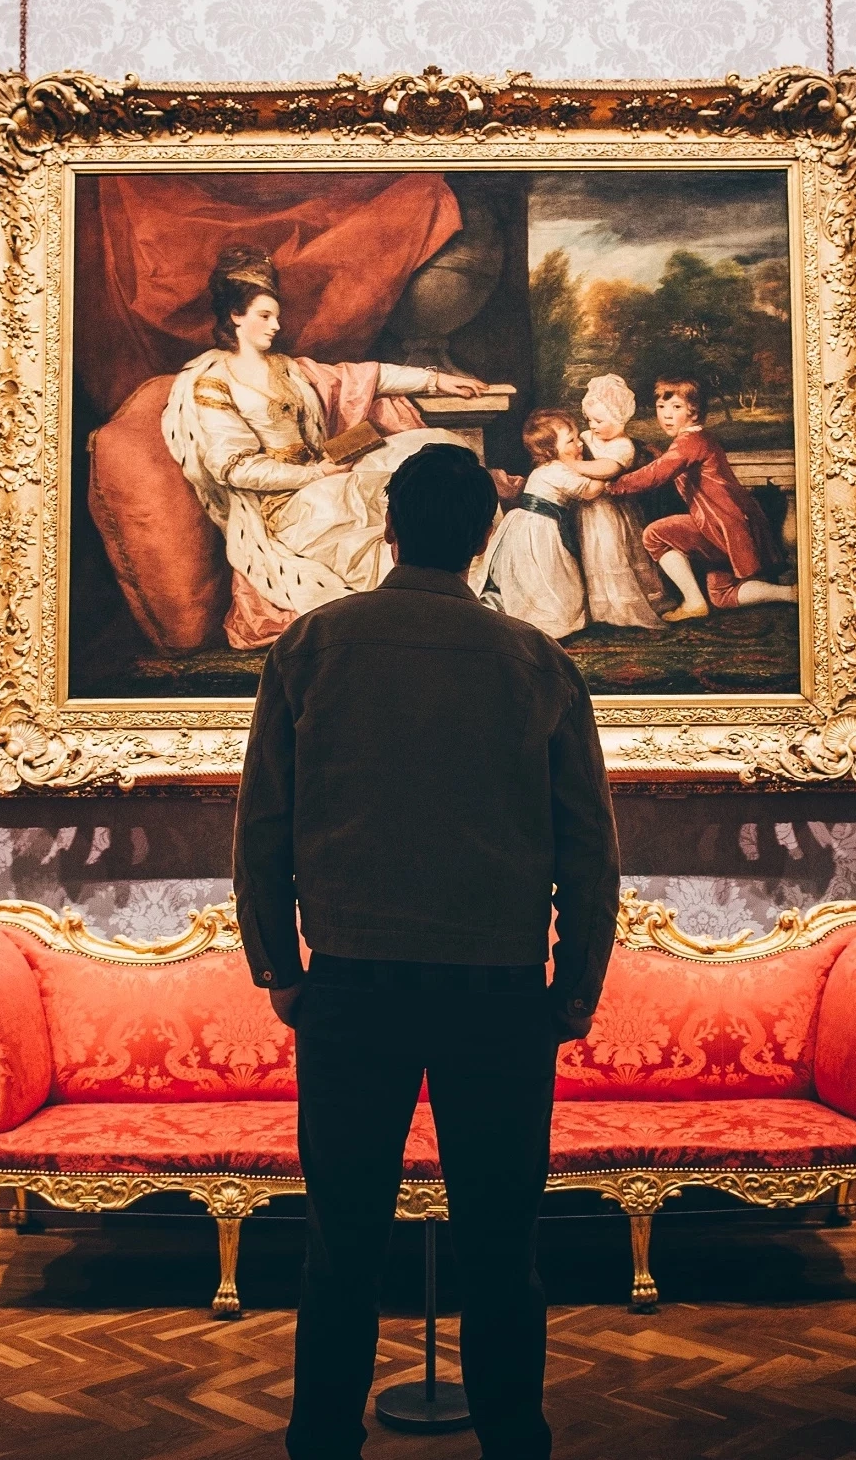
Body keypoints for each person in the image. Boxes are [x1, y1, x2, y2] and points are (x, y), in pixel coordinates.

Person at [234, 441, 621, 1460]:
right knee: (501, 1246)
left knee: (341, 1246)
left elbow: (263, 823)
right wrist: (575, 986)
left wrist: (279, 966)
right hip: (499, 994)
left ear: (389, 526)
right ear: (484, 534)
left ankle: (323, 1439)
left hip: (351, 986)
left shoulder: (312, 645)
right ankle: (513, 1439)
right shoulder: (536, 661)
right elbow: (587, 847)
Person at [163, 246, 489, 646]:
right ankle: (421, 607)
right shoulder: (214, 384)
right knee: (374, 504)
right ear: (235, 315)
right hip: (284, 504)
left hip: (327, 470)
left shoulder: (289, 369)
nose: (275, 326)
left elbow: (363, 377)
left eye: (276, 316)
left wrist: (436, 380)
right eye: (264, 316)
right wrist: (315, 474)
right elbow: (234, 468)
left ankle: (456, 585)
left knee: (432, 445)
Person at [605, 375, 797, 618]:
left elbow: (657, 473)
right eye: (661, 407)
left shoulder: (690, 441)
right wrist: (658, 454)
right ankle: (791, 593)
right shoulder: (699, 437)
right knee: (722, 595)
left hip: (719, 525)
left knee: (654, 535)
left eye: (676, 407)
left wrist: (616, 486)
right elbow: (673, 463)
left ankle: (693, 601)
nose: (666, 415)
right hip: (732, 525)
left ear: (694, 412)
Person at [478, 408, 604, 639]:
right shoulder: (556, 471)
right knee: (546, 576)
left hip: (529, 525)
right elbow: (591, 491)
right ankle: (546, 621)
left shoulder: (549, 468)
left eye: (577, 438)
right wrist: (612, 469)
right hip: (538, 531)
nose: (579, 444)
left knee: (540, 577)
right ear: (549, 451)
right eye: (571, 440)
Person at [574, 374, 666, 629]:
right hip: (588, 510)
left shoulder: (624, 446)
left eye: (599, 420)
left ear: (620, 418)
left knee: (614, 552)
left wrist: (570, 463)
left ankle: (621, 608)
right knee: (592, 554)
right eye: (589, 419)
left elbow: (607, 469)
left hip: (613, 513)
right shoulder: (586, 437)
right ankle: (600, 609)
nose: (593, 425)